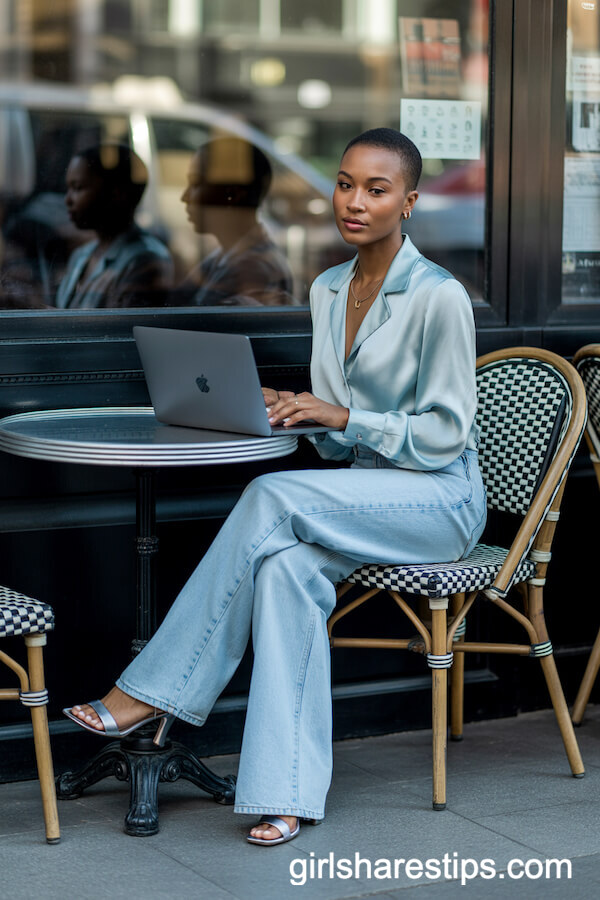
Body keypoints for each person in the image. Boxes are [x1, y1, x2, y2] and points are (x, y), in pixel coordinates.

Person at [65, 128, 486, 845]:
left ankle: (145, 692)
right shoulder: (328, 289)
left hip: (437, 502)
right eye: (345, 182)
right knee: (285, 572)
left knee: (270, 495)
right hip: (361, 496)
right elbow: (334, 434)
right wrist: (296, 408)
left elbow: (445, 433)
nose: (353, 201)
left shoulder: (439, 297)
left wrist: (344, 414)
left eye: (376, 190)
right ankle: (285, 795)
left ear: (410, 202)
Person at [174, 136, 295, 306]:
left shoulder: (253, 272)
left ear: (233, 194)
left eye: (196, 183)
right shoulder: (225, 256)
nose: (185, 197)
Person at [55, 144, 173, 309]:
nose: (68, 200)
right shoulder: (82, 255)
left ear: (116, 193)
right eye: (68, 188)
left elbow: (120, 331)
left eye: (78, 188)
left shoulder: (144, 260)